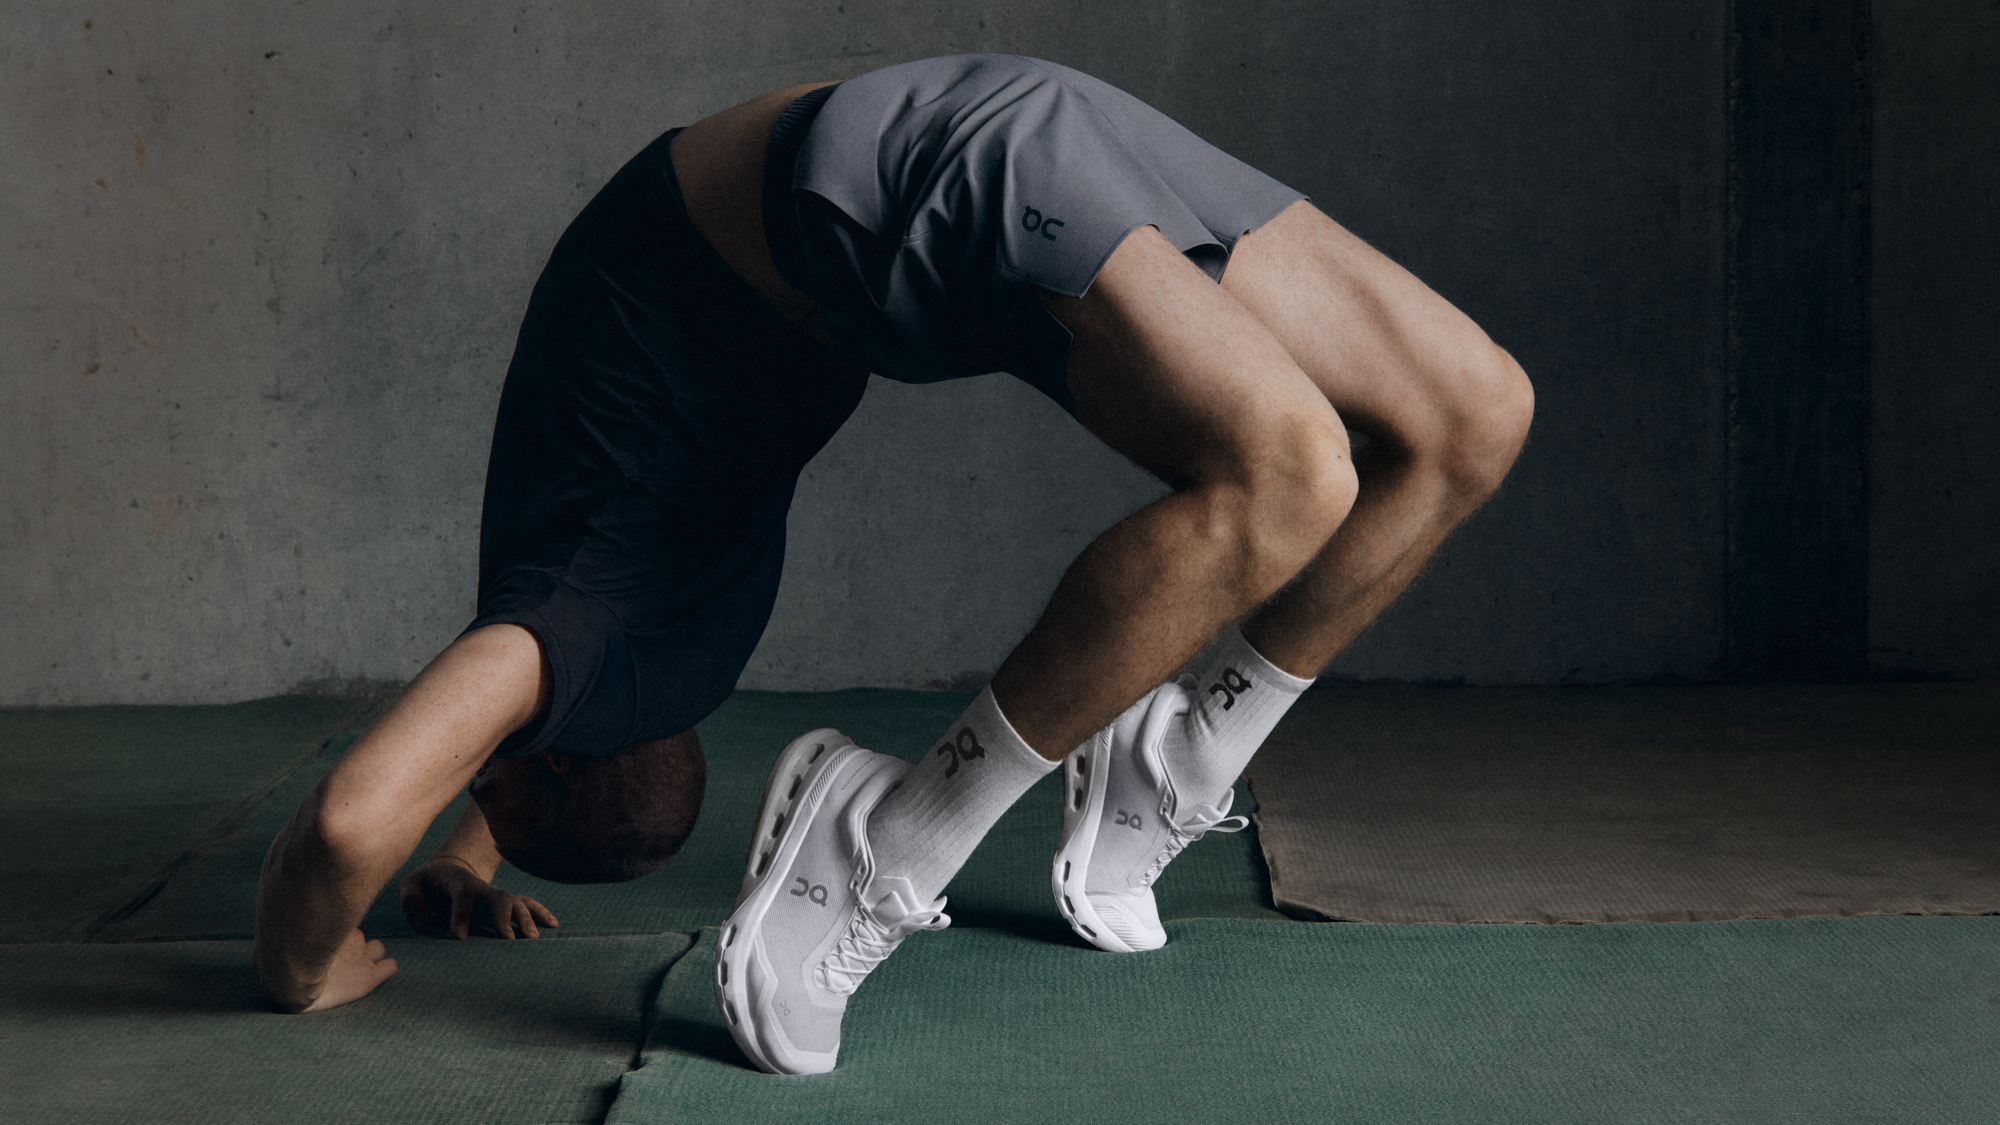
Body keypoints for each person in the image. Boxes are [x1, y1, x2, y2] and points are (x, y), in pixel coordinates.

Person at [252, 56, 1534, 1072]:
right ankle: (1183, 756)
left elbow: (367, 811)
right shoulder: (618, 634)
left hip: (897, 166)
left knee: (1291, 475)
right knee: (1471, 416)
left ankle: (892, 838)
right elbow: (489, 760)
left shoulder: (579, 625)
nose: (474, 774)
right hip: (993, 112)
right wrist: (462, 861)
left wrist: (304, 965)